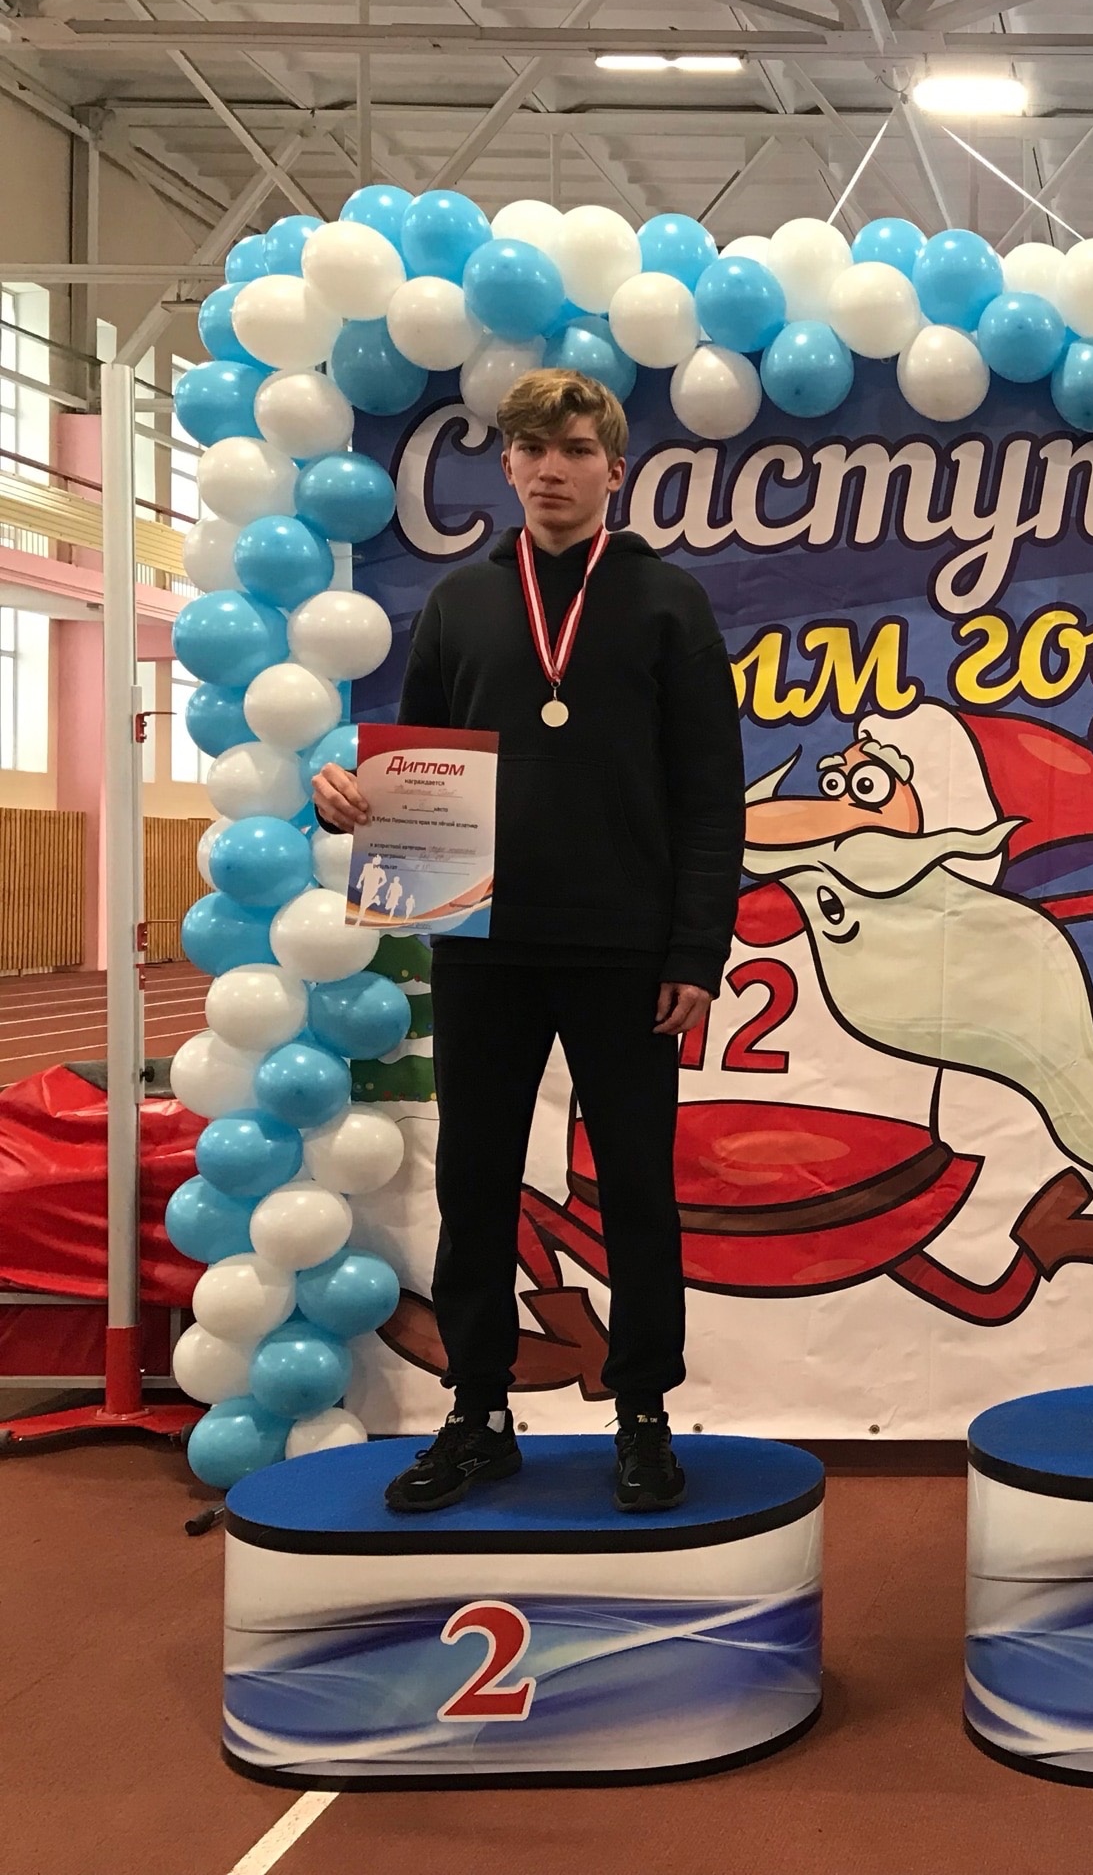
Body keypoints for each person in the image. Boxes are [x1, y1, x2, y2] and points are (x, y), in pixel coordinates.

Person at [311, 368, 745, 1514]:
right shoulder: (459, 604)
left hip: (626, 951)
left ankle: (642, 1410)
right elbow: (419, 768)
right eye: (533, 451)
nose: (553, 469)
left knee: (637, 1187)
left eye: (576, 450)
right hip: (482, 943)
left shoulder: (668, 603)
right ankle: (478, 1413)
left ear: (615, 469)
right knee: (476, 1182)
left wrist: (695, 956)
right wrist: (349, 801)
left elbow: (711, 796)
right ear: (506, 467)